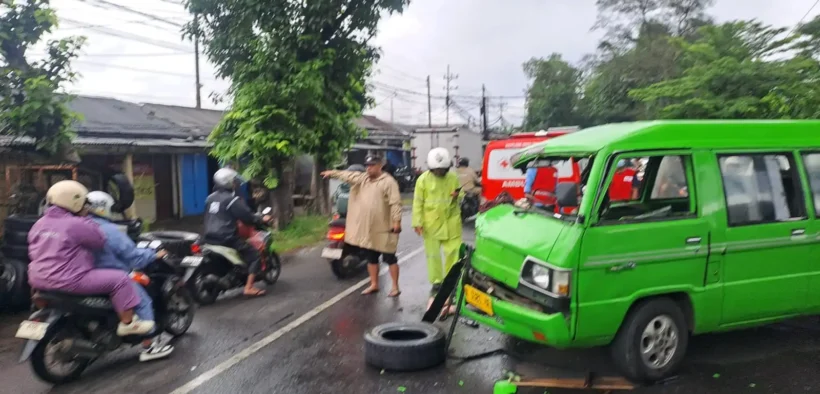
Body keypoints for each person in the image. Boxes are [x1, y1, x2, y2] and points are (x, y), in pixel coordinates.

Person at [27, 181, 154, 336]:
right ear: (74, 202)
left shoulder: (39, 224)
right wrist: (85, 218)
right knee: (121, 279)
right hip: (70, 279)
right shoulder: (76, 224)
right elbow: (99, 241)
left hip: (37, 279)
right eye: (83, 202)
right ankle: (128, 323)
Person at [86, 191, 174, 362]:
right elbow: (132, 256)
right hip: (112, 275)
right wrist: (153, 255)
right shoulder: (108, 230)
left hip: (84, 276)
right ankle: (149, 347)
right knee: (143, 302)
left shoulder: (80, 225)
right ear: (103, 208)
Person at [322, 155, 403, 297]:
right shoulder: (362, 179)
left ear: (380, 166)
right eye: (367, 165)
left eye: (372, 165)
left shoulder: (388, 182)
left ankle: (395, 287)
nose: (368, 168)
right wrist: (332, 173)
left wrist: (396, 221)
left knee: (390, 258)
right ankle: (374, 284)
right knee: (371, 258)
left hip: (384, 228)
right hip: (368, 229)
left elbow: (395, 203)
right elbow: (348, 175)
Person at [204, 168, 271, 297]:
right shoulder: (231, 200)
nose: (236, 184)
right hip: (227, 238)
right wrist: (262, 218)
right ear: (228, 182)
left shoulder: (209, 198)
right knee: (254, 255)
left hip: (209, 237)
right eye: (234, 181)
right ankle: (249, 287)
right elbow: (248, 216)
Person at [413, 148, 462, 316]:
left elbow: (461, 195)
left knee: (454, 254)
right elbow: (417, 203)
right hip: (431, 223)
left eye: (442, 169)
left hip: (451, 222)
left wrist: (457, 195)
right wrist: (417, 222)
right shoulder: (422, 180)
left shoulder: (453, 178)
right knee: (433, 256)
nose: (440, 172)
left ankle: (451, 285)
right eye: (437, 169)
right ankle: (436, 284)